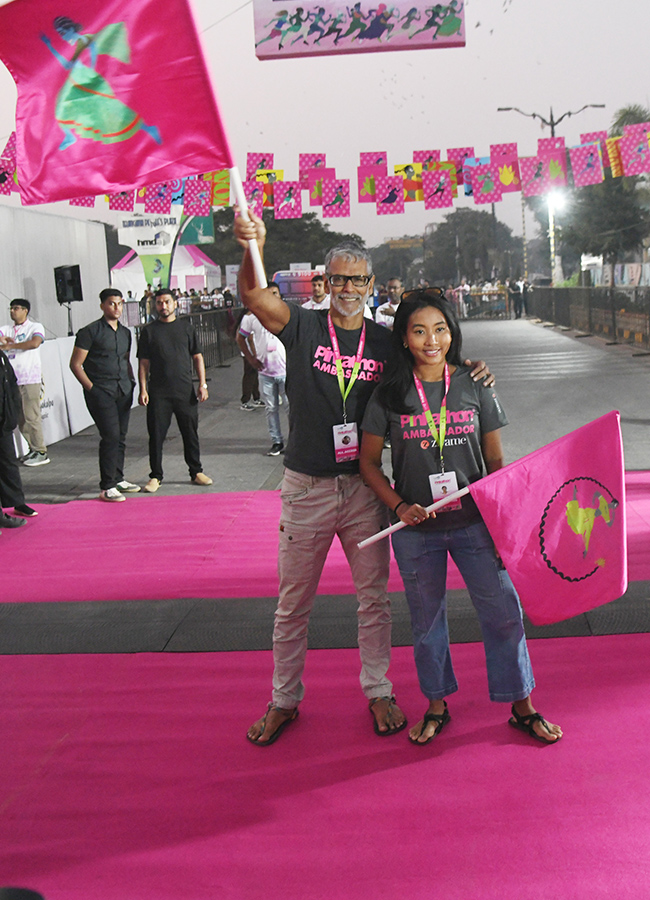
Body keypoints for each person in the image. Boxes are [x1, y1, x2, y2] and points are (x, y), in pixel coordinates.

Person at [235, 211, 493, 746]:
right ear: (324, 284)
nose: (348, 288)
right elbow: (256, 299)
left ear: (370, 285)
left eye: (358, 279)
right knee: (292, 605)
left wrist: (473, 369)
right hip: (306, 486)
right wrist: (251, 244)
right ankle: (284, 699)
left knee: (373, 599)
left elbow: (433, 356)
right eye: (339, 279)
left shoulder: (385, 342)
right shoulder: (304, 325)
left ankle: (378, 691)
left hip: (365, 491)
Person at [359, 288, 562, 746]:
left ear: (452, 332)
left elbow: (496, 461)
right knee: (427, 620)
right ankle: (436, 705)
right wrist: (397, 506)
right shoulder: (389, 393)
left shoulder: (474, 384)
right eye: (419, 330)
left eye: (440, 328)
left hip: (476, 525)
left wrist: (509, 519)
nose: (432, 339)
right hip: (415, 530)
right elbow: (369, 464)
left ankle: (521, 704)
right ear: (405, 338)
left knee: (504, 612)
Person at [137, 289, 213, 493]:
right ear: (155, 306)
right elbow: (143, 363)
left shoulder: (186, 328)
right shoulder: (149, 331)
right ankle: (155, 476)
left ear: (175, 304)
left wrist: (202, 384)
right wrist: (143, 389)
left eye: (167, 302)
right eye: (160, 303)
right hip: (158, 392)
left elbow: (197, 357)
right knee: (156, 435)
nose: (164, 306)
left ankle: (196, 471)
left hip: (184, 391)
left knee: (190, 432)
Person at [70, 289, 140, 502]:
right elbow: (75, 364)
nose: (116, 308)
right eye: (111, 303)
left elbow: (125, 360)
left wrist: (131, 382)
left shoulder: (125, 333)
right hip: (101, 392)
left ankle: (118, 478)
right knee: (110, 436)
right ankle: (107, 486)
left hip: (123, 390)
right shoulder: (89, 331)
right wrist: (92, 389)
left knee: (120, 436)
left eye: (119, 303)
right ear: (102, 305)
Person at [236, 282, 289, 456]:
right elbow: (240, 338)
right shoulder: (252, 317)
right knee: (271, 408)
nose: (273, 297)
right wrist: (251, 358)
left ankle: (294, 442)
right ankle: (277, 441)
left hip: (286, 372)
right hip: (265, 373)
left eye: (275, 293)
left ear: (280, 296)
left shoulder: (287, 315)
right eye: (269, 293)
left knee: (290, 408)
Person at [0, 299, 50, 466]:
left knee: (31, 416)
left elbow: (35, 343)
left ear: (25, 311)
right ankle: (32, 448)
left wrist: (11, 346)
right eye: (11, 308)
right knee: (20, 417)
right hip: (12, 381)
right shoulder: (6, 329)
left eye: (16, 308)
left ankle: (41, 450)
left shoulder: (35, 327)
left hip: (30, 377)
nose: (13, 311)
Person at [0, 348, 37, 525]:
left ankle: (17, 502)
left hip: (4, 420)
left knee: (8, 463)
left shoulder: (1, 357)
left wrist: (12, 412)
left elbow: (11, 384)